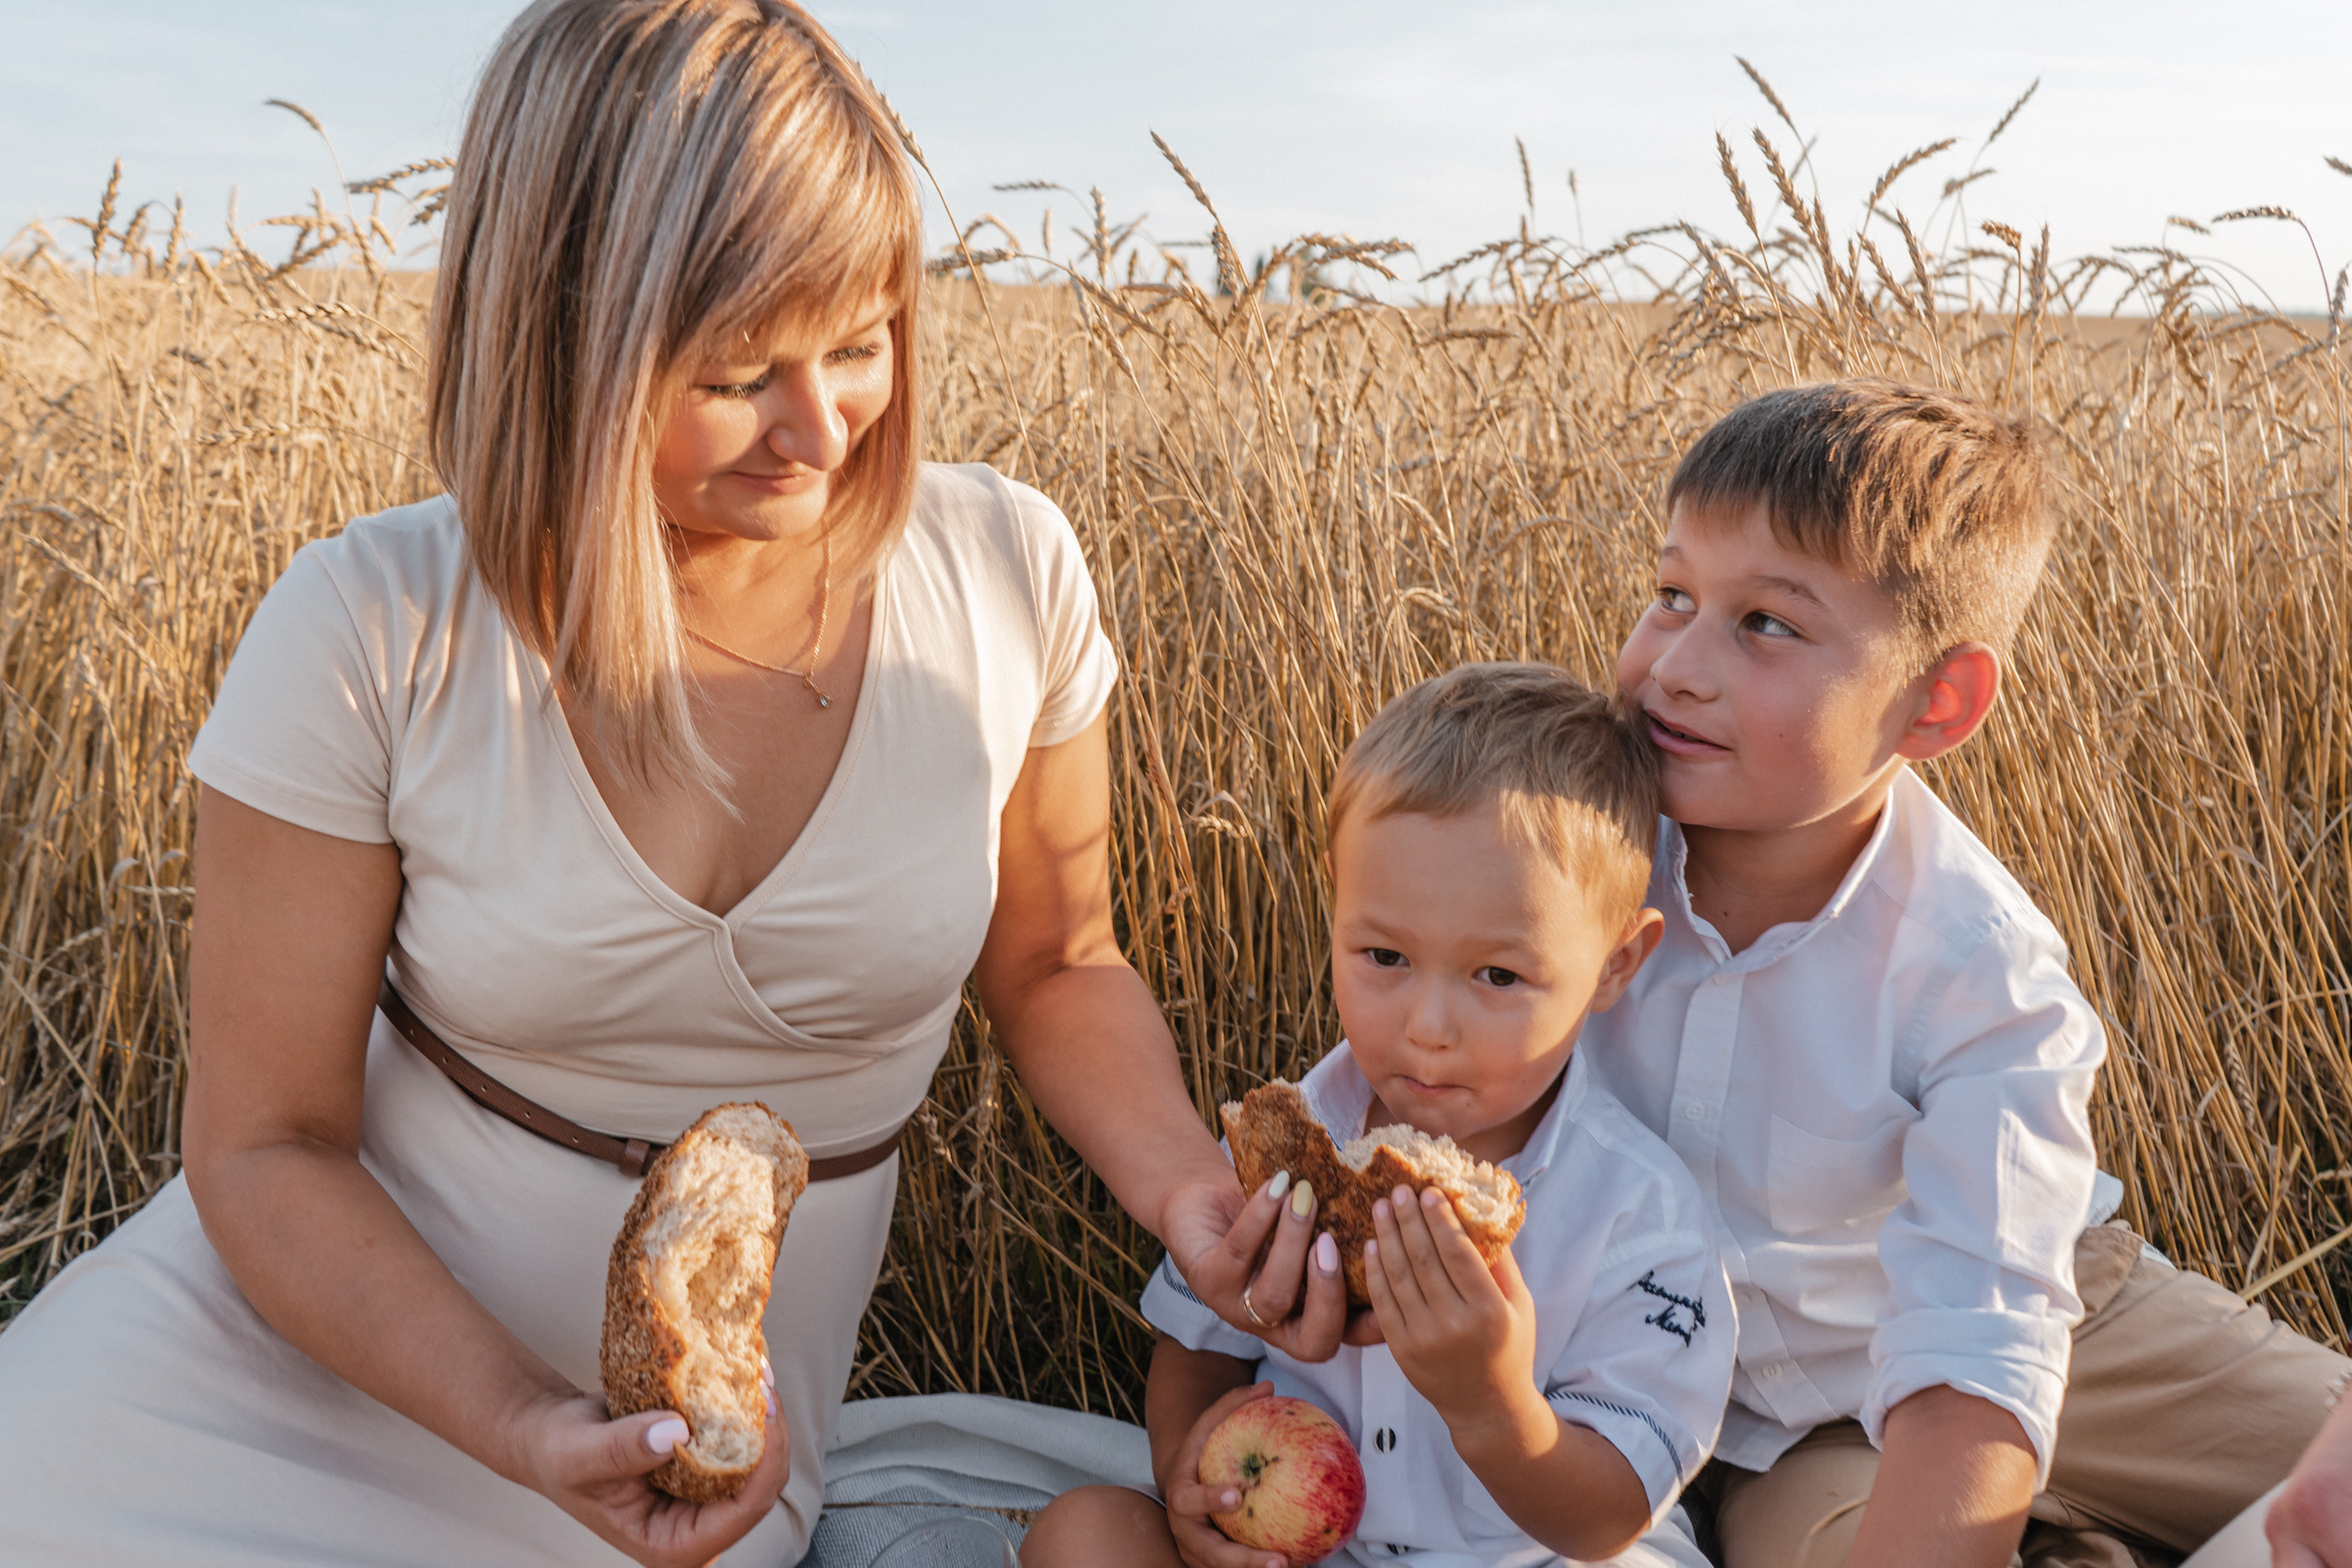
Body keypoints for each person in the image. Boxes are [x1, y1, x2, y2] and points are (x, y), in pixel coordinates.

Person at [0, 4, 1295, 1563]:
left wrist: (1189, 1199)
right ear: (564, 335)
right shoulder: (370, 624)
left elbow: (1059, 959)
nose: (821, 428)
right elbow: (263, 1145)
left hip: (689, 1452)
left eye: (864, 342)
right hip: (275, 1382)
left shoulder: (1007, 570)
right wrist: (524, 1422)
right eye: (741, 369)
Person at [1581, 378, 2349, 1568]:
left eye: (1765, 623)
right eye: (1672, 591)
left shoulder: (1973, 960)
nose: (1675, 663)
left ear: (1935, 701)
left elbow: (1982, 1333)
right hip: (1788, 1415)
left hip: (2082, 1323)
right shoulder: (1567, 859)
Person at [1022, 664, 1737, 1568]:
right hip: (1321, 1552)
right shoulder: (1288, 1150)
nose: (1427, 1028)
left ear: (1614, 965)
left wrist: (1490, 1404)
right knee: (1085, 1536)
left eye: (1498, 976)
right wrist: (1193, 1481)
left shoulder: (1639, 1214)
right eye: (1384, 955)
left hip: (1535, 1559)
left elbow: (1605, 1519)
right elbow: (1200, 1349)